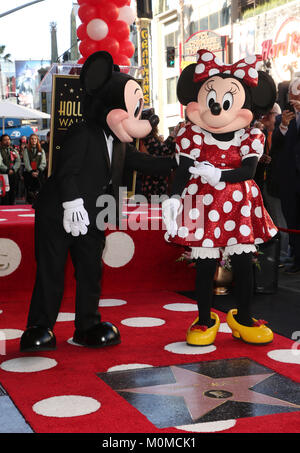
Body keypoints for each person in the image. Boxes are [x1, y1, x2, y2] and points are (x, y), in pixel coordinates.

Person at [20, 51, 177, 353]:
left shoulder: (118, 142)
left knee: (91, 270)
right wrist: (71, 204)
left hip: (93, 216)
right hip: (59, 213)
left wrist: (176, 163)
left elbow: (141, 161)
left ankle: (87, 325)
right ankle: (40, 326)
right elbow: (66, 171)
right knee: (51, 270)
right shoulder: (83, 132)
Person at [163, 49, 277, 347]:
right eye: (211, 101)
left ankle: (244, 317)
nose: (216, 109)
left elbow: (249, 171)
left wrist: (219, 176)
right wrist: (174, 198)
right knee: (204, 264)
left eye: (225, 102)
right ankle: (204, 319)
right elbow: (184, 169)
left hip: (239, 204)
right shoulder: (192, 135)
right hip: (203, 203)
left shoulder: (251, 136)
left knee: (242, 262)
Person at [271, 77, 300, 273]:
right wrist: (282, 127)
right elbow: (275, 147)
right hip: (289, 179)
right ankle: (297, 260)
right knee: (292, 220)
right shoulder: (282, 119)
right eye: (293, 93)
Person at [138, 109, 176, 201]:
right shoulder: (148, 138)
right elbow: (164, 150)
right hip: (153, 182)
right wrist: (173, 136)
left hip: (153, 180)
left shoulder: (145, 138)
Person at [23, 134, 47, 204]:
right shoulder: (26, 150)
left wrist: (38, 171)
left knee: (39, 191)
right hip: (29, 173)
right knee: (30, 192)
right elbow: (26, 162)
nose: (34, 140)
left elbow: (43, 162)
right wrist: (31, 172)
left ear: (37, 140)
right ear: (29, 140)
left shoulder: (41, 150)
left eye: (35, 139)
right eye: (32, 139)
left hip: (39, 172)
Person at [0, 134, 21, 205]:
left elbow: (18, 161)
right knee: (3, 193)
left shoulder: (14, 150)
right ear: (1, 142)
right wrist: (7, 170)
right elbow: (0, 163)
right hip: (3, 175)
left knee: (13, 191)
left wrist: (13, 169)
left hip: (13, 174)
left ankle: (12, 206)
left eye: (8, 139)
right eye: (5, 140)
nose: (7, 141)